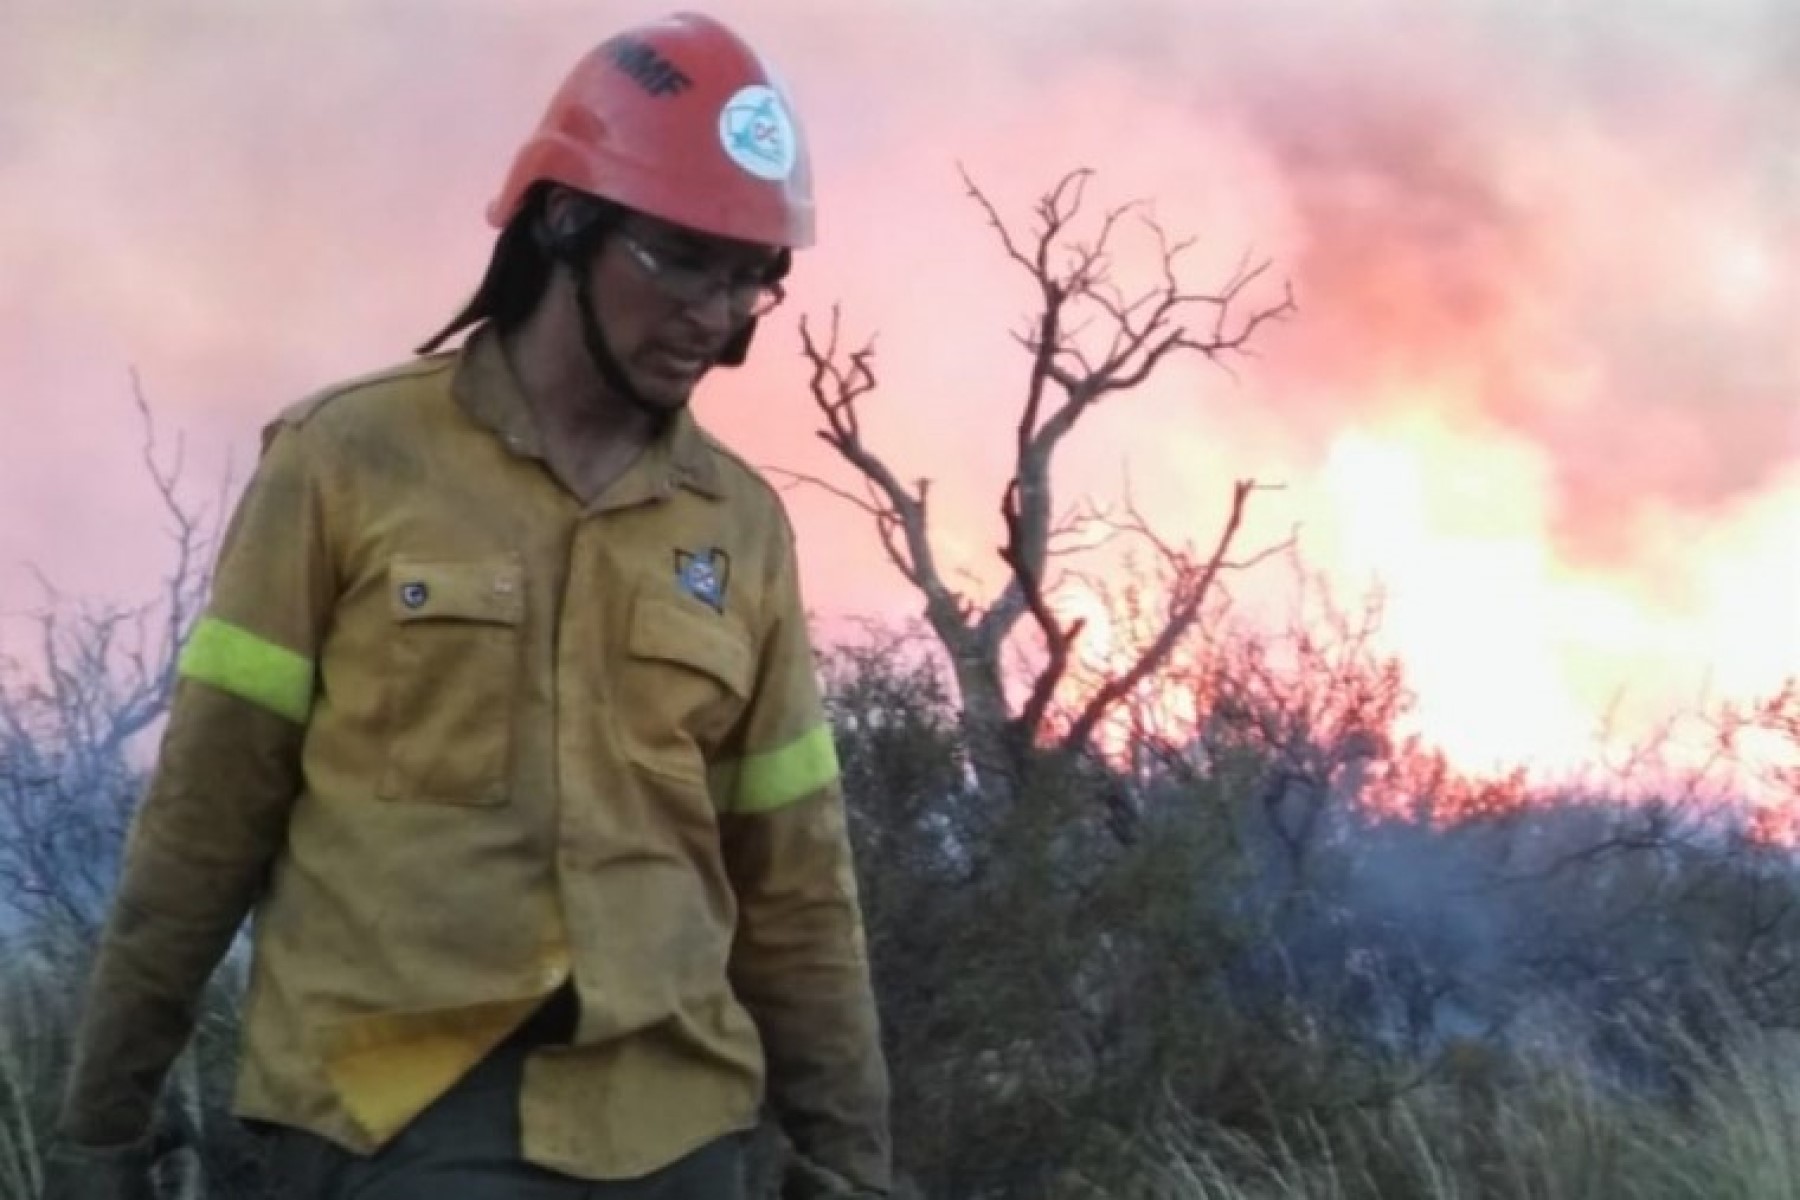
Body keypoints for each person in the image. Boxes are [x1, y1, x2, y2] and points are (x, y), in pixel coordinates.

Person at [44, 12, 891, 1199]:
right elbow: (203, 821)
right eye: (684, 259)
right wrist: (102, 1128)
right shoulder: (347, 461)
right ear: (567, 221)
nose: (718, 310)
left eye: (753, 277)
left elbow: (796, 881)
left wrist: (850, 1161)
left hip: (674, 1126)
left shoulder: (738, 527)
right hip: (393, 1111)